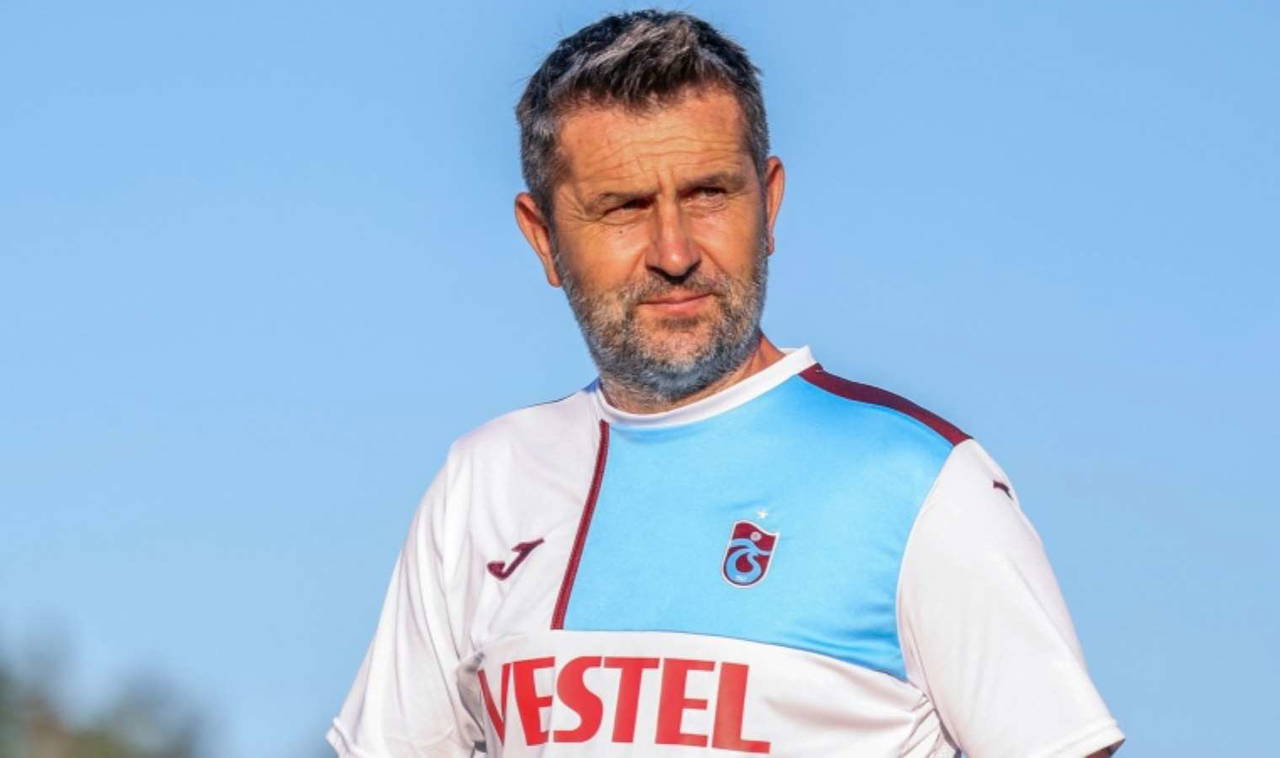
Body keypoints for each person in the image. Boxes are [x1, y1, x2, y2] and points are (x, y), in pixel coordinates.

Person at [326, 10, 1124, 758]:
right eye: (623, 207)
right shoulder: (485, 483)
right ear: (543, 238)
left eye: (708, 194)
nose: (674, 252)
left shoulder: (919, 481)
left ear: (768, 204)